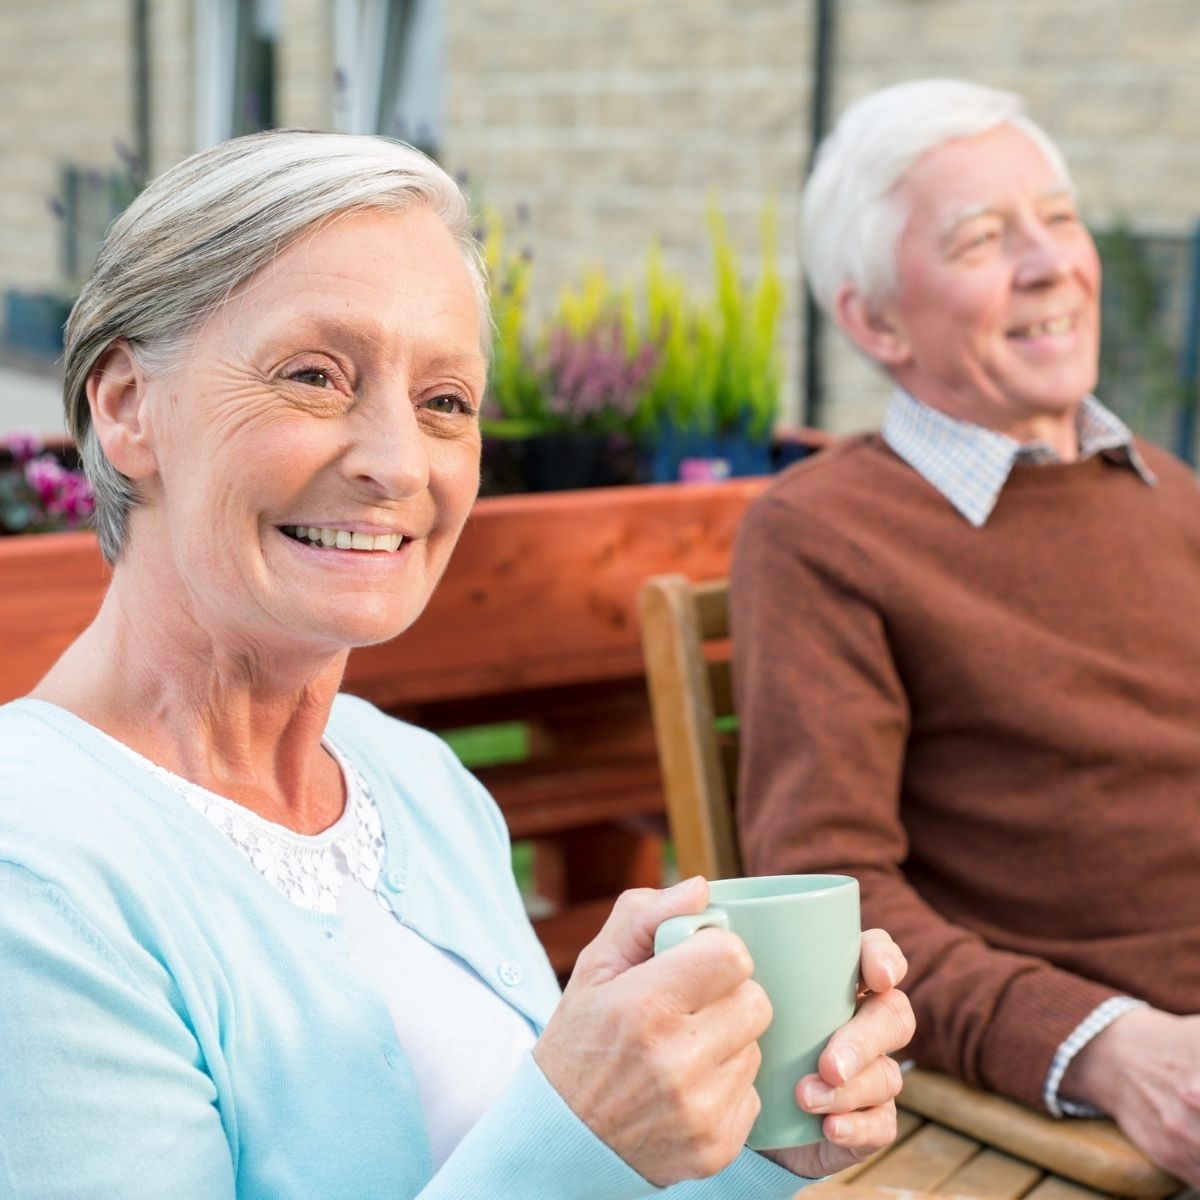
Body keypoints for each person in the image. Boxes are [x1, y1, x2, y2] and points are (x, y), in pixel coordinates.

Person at [0, 129, 912, 1199]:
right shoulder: (36, 875)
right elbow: (557, 1161)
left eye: (445, 403)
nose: (396, 464)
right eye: (313, 376)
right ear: (124, 408)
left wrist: (748, 1141)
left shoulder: (415, 781)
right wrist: (584, 1131)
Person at [732, 78, 1200, 1185]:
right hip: (1140, 1065)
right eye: (986, 237)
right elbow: (832, 903)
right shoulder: (822, 537)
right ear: (873, 320)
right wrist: (1105, 1047)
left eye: (1062, 217)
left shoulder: (1173, 496)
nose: (1052, 264)